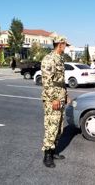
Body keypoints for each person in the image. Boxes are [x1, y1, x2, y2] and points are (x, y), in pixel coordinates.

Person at [41, 36, 71, 168]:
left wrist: (65, 95)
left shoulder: (60, 59)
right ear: (60, 44)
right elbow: (47, 82)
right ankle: (47, 155)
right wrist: (54, 99)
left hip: (60, 97)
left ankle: (53, 152)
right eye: (65, 45)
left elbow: (60, 81)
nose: (66, 47)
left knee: (59, 127)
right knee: (51, 127)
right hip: (52, 99)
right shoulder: (49, 59)